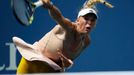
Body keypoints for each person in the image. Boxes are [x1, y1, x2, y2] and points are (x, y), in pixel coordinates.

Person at [12, 0, 98, 74]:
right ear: (78, 20)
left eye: (92, 20)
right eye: (86, 18)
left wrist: (67, 64)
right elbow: (59, 17)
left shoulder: (86, 42)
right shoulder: (68, 27)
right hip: (31, 63)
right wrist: (51, 7)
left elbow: (68, 60)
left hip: (50, 71)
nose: (89, 22)